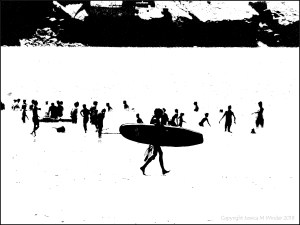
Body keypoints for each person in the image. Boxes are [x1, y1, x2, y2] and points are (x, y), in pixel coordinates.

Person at [140, 108, 170, 176]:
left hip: (155, 139)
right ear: (158, 113)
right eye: (161, 114)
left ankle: (144, 167)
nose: (161, 115)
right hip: (154, 140)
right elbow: (154, 127)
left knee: (156, 155)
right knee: (157, 154)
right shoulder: (155, 119)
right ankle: (144, 167)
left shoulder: (155, 118)